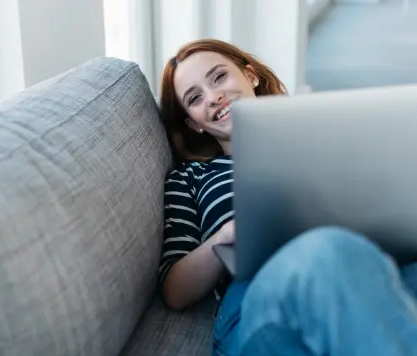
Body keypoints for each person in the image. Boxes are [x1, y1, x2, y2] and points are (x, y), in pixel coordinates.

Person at [158, 38, 417, 356]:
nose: (214, 97)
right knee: (324, 252)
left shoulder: (321, 139)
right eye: (195, 98)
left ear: (250, 75)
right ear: (193, 124)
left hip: (367, 269)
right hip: (259, 299)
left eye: (219, 77)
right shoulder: (191, 178)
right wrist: (228, 234)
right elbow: (175, 291)